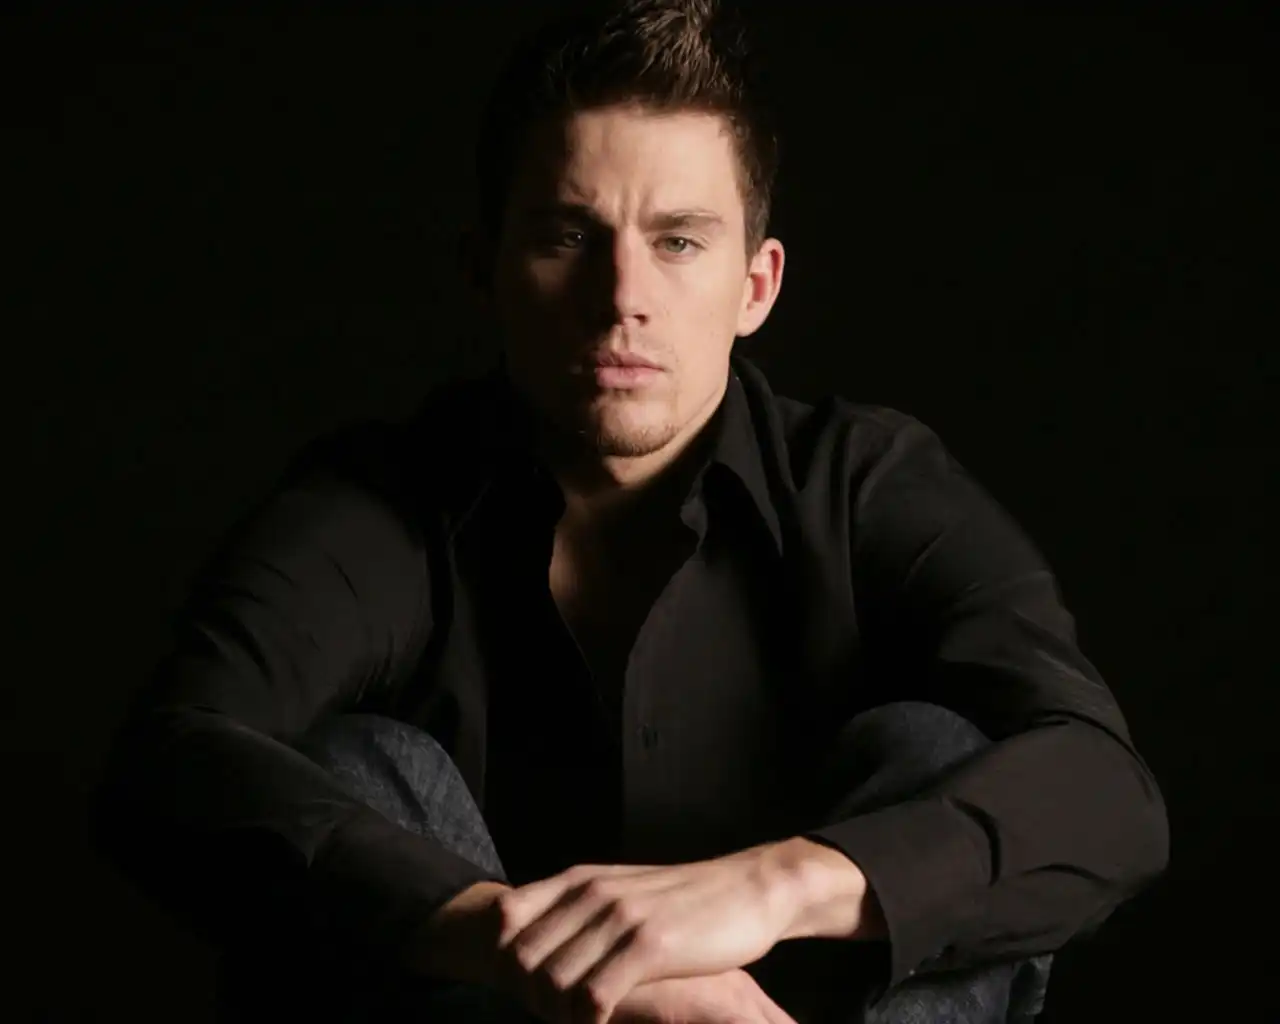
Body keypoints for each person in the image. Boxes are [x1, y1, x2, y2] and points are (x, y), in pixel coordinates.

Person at [90, 1, 1169, 1022]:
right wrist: (528, 951)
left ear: (756, 285)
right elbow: (169, 756)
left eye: (678, 241)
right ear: (483, 270)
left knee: (939, 756)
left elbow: (1106, 793)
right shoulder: (382, 499)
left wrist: (771, 889)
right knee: (356, 767)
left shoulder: (865, 482)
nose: (621, 298)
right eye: (568, 237)